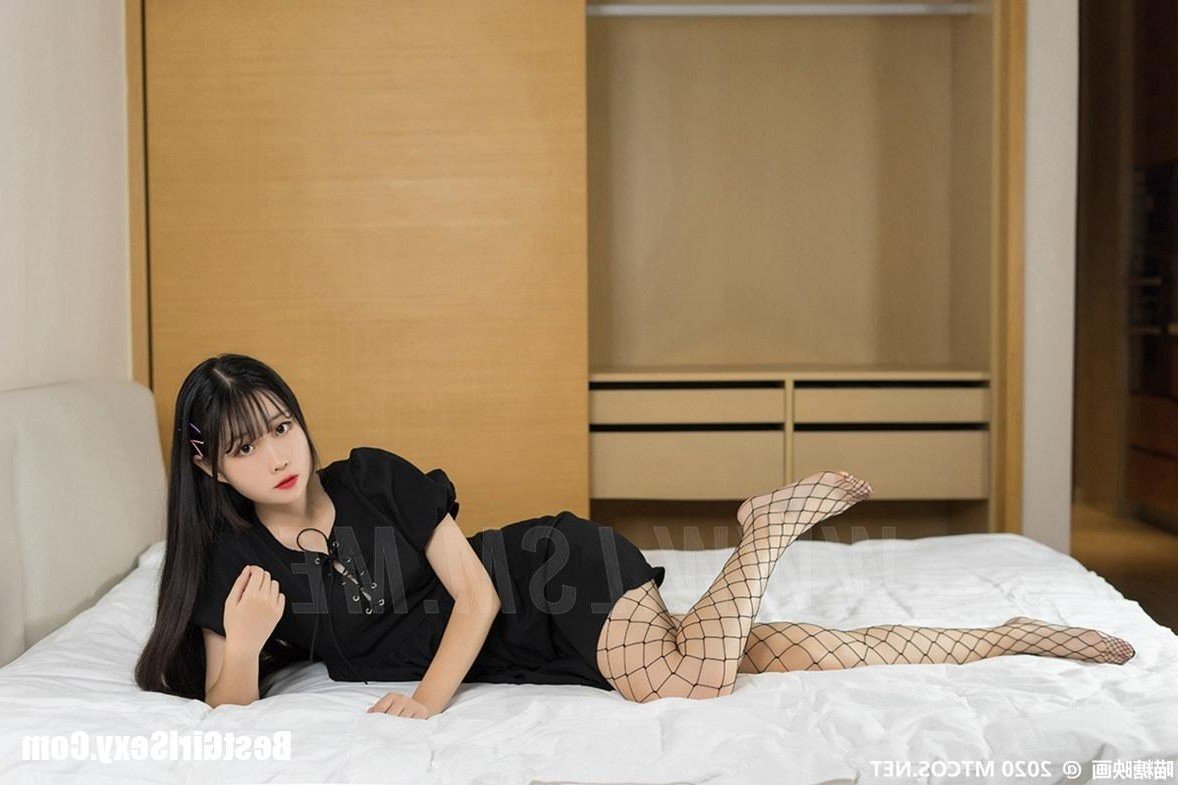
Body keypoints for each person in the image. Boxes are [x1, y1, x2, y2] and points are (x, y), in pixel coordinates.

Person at [136, 353, 1136, 717]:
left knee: (685, 679)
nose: (278, 453)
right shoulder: (236, 563)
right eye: (245, 444)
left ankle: (763, 532)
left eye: (281, 424)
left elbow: (475, 592)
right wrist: (251, 645)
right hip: (532, 655)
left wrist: (430, 700)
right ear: (209, 466)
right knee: (759, 653)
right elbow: (227, 701)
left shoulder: (373, 477)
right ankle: (1000, 635)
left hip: (543, 580)